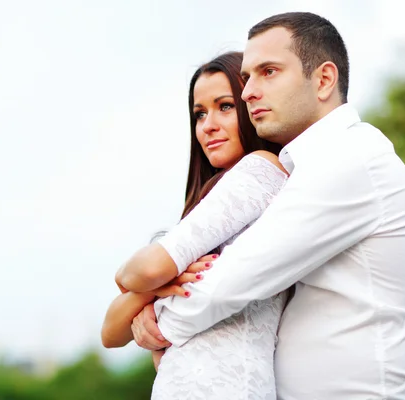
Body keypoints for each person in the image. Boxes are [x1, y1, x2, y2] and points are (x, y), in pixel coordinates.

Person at [127, 12, 405, 400]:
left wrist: (157, 323)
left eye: (268, 71)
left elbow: (229, 283)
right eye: (249, 76)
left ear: (323, 80)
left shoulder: (350, 159)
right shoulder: (311, 167)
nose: (248, 92)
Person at [102, 51, 288, 399]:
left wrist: (148, 279)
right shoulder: (209, 206)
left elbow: (138, 272)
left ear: (252, 106)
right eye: (199, 114)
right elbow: (111, 332)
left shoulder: (262, 170)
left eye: (225, 106)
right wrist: (157, 286)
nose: (208, 125)